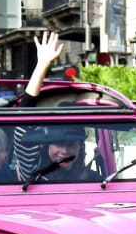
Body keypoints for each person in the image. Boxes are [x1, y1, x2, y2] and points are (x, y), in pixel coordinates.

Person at [12, 32, 99, 183]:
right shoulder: (34, 172)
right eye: (58, 143)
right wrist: (42, 65)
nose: (64, 151)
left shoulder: (95, 180)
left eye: (71, 144)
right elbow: (23, 119)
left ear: (80, 146)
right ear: (47, 145)